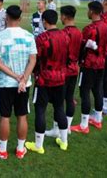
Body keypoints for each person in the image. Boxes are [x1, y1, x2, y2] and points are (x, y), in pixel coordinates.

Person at [0, 5, 37, 160]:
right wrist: (23, 78)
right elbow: (33, 60)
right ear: (20, 18)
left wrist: (17, 77)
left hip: (6, 84)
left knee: (5, 116)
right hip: (23, 84)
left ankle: (3, 150)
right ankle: (20, 149)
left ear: (6, 18)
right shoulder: (29, 36)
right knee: (22, 115)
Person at [25, 10, 70, 154]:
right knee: (59, 108)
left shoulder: (42, 38)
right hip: (61, 78)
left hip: (44, 80)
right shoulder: (65, 35)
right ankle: (64, 142)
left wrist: (33, 72)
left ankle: (39, 145)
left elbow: (36, 59)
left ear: (44, 21)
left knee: (40, 110)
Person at [71, 1, 107, 134]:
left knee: (84, 92)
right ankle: (97, 120)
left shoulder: (89, 29)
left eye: (88, 10)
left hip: (88, 64)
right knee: (97, 89)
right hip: (101, 63)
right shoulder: (105, 26)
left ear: (92, 11)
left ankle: (83, 125)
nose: (87, 12)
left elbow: (81, 47)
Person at [45, 5, 83, 137]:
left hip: (63, 71)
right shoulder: (79, 32)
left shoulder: (64, 33)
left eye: (61, 15)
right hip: (74, 69)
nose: (60, 17)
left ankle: (57, 129)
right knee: (70, 97)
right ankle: (67, 128)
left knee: (59, 101)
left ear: (65, 16)